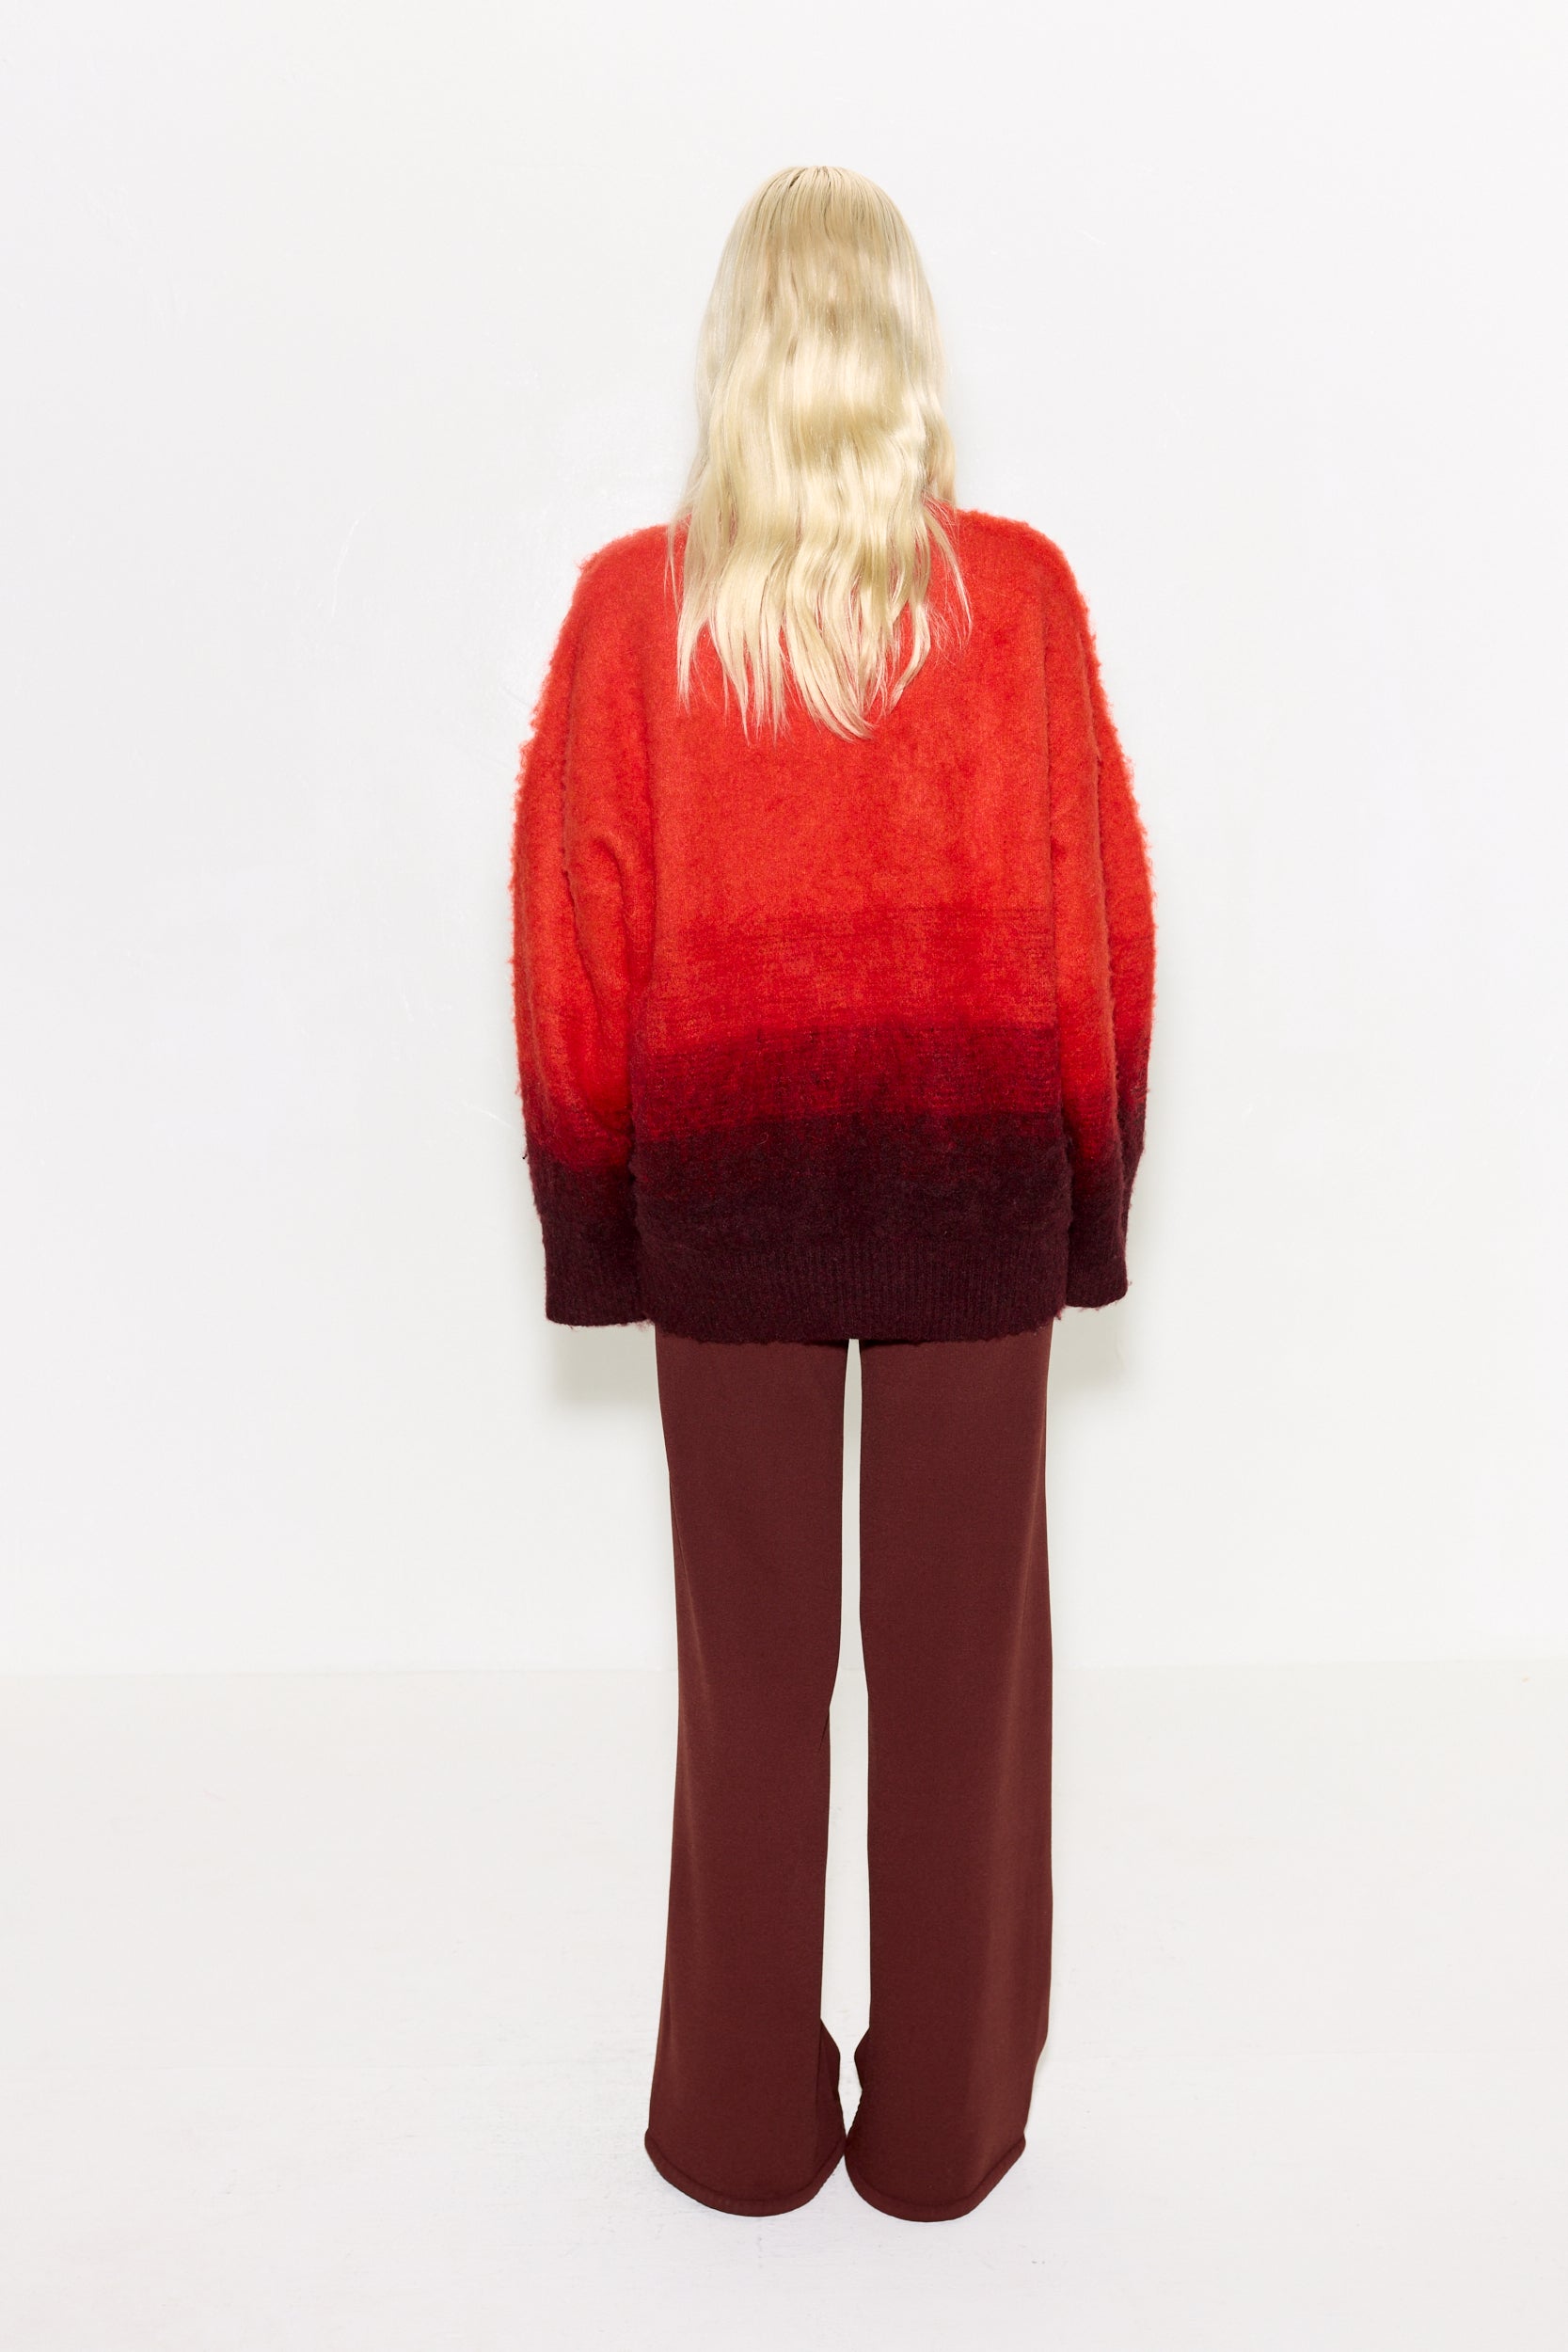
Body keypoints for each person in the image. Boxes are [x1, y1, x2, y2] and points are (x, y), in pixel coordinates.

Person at [509, 165, 1157, 2223]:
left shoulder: (634, 614)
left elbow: (570, 941)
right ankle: (946, 2134)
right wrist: (1087, 1201)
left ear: (736, 356)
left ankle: (736, 2131)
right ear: (906, 350)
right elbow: (1101, 926)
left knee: (751, 1685)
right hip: (971, 1203)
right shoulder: (1018, 603)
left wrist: (602, 1225)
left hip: (729, 1210)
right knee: (966, 1682)